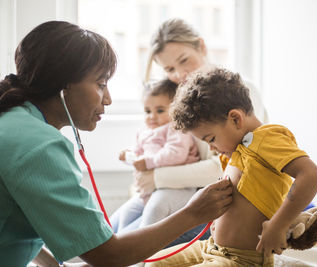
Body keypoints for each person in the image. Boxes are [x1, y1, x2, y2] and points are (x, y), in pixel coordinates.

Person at [0, 21, 233, 267]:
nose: (108, 99)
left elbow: (14, 217)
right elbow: (108, 256)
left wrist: (54, 264)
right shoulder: (39, 147)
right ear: (62, 87)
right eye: (101, 84)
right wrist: (193, 214)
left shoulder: (13, 119)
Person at [144, 68, 317, 267]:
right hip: (211, 247)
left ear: (236, 119)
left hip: (241, 259)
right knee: (153, 263)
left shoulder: (266, 138)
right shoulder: (238, 149)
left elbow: (311, 175)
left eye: (211, 139)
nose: (212, 148)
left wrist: (278, 225)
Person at [133, 18, 269, 246]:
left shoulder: (240, 91)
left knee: (141, 242)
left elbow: (229, 165)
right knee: (120, 229)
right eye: (169, 69)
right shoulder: (182, 101)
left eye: (184, 60)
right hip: (188, 195)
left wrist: (155, 178)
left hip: (225, 201)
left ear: (202, 46)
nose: (180, 73)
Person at [111, 79, 200, 233]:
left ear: (176, 109)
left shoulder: (177, 129)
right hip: (150, 189)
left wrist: (148, 162)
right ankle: (122, 244)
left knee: (154, 209)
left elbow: (176, 153)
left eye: (159, 111)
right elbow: (140, 155)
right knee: (127, 212)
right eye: (147, 111)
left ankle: (143, 246)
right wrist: (129, 156)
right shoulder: (145, 132)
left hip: (177, 187)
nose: (152, 116)